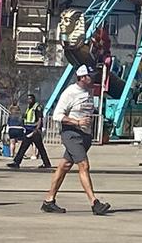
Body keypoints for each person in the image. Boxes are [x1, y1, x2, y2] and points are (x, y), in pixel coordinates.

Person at [43, 65, 110, 215]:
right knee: (84, 165)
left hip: (84, 135)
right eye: (90, 76)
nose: (93, 78)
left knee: (64, 166)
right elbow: (57, 115)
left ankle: (49, 200)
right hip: (72, 134)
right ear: (82, 77)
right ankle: (94, 203)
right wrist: (77, 122)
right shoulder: (70, 92)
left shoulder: (88, 92)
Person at [8, 94, 52, 169]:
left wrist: (36, 129)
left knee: (39, 148)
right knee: (24, 147)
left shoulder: (37, 107)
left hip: (34, 131)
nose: (29, 100)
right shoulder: (29, 107)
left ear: (34, 99)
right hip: (28, 130)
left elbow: (40, 119)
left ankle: (46, 163)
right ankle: (17, 162)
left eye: (30, 99)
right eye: (28, 99)